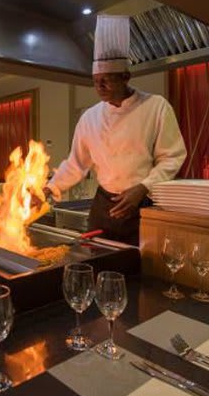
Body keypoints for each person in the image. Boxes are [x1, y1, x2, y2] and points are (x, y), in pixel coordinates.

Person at [42, 15, 187, 246]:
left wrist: (143, 188)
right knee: (97, 260)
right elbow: (76, 164)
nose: (99, 87)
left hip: (143, 204)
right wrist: (49, 189)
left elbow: (172, 157)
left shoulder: (155, 107)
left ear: (125, 77)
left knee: (141, 266)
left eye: (107, 80)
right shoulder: (90, 117)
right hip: (103, 206)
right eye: (96, 81)